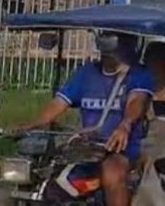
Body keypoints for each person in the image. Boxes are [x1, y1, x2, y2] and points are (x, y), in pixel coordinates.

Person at [20, 32, 155, 206]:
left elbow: (136, 102)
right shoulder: (86, 73)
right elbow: (59, 103)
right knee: (43, 172)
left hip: (122, 150)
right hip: (87, 147)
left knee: (113, 173)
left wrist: (125, 125)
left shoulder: (140, 74)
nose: (108, 55)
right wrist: (31, 124)